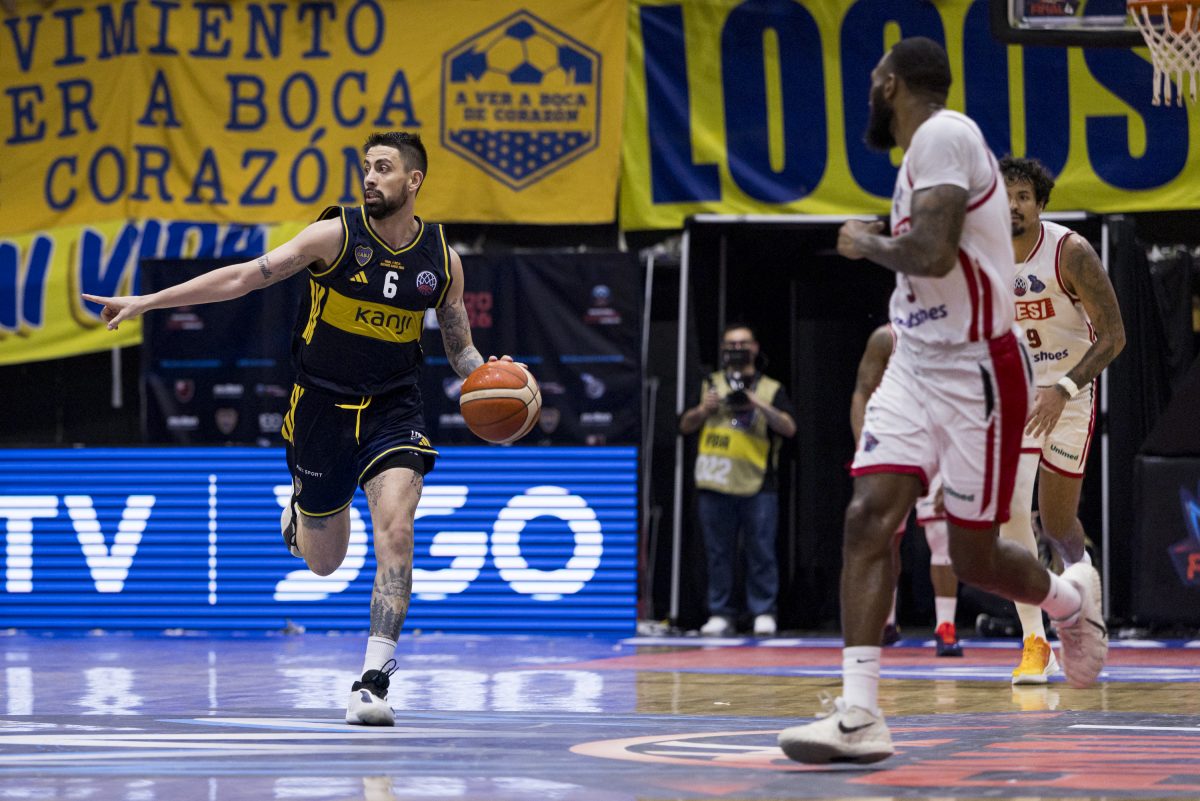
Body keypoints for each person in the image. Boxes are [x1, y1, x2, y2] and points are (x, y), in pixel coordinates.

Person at [82, 132, 503, 727]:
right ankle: (302, 513)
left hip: (394, 409)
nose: (370, 177)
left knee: (398, 531)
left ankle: (373, 682)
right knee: (325, 562)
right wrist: (148, 302)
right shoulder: (333, 235)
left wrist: (489, 376)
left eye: (383, 168)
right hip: (321, 409)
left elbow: (459, 349)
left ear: (414, 181)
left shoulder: (441, 260)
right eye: (366, 167)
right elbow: (243, 278)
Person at [777, 38, 1107, 765]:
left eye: (873, 79)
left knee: (975, 554)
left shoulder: (944, 134)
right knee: (867, 518)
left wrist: (864, 242)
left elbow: (931, 251)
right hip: (915, 359)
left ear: (891, 83)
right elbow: (932, 259)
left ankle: (1069, 602)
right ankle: (860, 714)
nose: (870, 91)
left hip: (976, 367)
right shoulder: (918, 161)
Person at [998, 156, 1125, 685]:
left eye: (1023, 197)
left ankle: (1083, 597)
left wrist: (1065, 388)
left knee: (1056, 525)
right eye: (1004, 196)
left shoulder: (1070, 252)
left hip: (1071, 391)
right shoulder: (982, 255)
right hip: (1019, 393)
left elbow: (1114, 336)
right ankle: (1036, 642)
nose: (1012, 206)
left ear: (1041, 204)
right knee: (1010, 511)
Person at [851, 323, 963, 658]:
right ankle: (885, 620)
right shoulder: (887, 337)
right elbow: (862, 393)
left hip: (940, 442)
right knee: (884, 536)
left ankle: (946, 625)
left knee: (942, 535)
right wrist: (865, 447)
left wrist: (958, 465)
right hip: (894, 441)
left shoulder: (958, 335)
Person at [679, 323, 797, 637]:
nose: (737, 350)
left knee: (761, 550)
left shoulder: (770, 388)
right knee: (718, 552)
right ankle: (721, 612)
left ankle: (763, 610)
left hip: (757, 482)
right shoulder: (710, 384)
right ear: (722, 349)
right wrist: (703, 409)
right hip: (715, 480)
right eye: (731, 344)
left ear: (755, 348)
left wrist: (757, 402)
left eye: (743, 343)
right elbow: (684, 425)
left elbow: (789, 428)